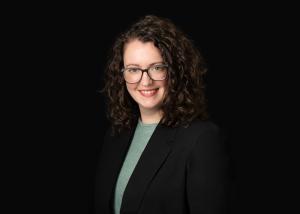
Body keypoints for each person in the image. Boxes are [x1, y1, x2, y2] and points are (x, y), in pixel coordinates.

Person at [95, 15, 230, 214]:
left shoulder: (202, 139)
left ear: (176, 71)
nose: (145, 81)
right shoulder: (116, 134)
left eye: (157, 68)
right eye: (133, 70)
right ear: (121, 74)